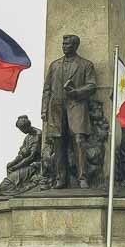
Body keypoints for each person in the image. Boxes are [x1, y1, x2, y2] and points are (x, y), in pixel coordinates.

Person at [41, 34, 97, 189]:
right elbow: (46, 89)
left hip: (76, 106)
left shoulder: (86, 65)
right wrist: (44, 109)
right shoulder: (54, 65)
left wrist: (77, 92)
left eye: (67, 44)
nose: (64, 46)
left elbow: (92, 86)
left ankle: (82, 178)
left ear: (75, 46)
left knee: (79, 141)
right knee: (58, 143)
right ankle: (60, 178)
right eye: (63, 44)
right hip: (56, 108)